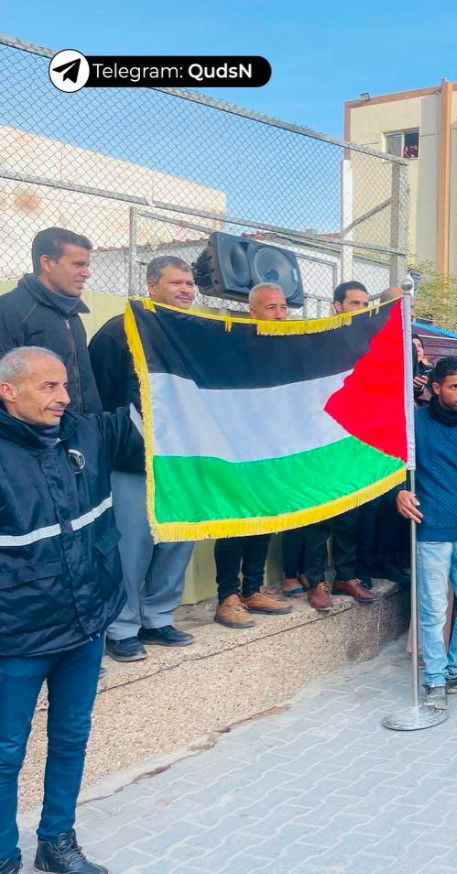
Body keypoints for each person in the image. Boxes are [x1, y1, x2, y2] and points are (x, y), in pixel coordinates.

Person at [0, 346, 143, 874]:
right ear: (8, 391)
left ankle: (56, 842)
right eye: (48, 388)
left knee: (70, 738)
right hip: (18, 635)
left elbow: (163, 426)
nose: (63, 398)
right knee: (4, 752)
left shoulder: (87, 433)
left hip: (87, 624)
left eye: (64, 386)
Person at [91, 256, 206, 660]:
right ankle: (121, 627)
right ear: (151, 284)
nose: (186, 290)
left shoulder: (197, 333)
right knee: (130, 547)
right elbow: (99, 402)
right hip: (131, 463)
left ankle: (158, 617)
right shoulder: (118, 331)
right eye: (176, 282)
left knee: (178, 541)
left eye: (190, 283)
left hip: (186, 462)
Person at [395, 357, 457, 709]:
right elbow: (392, 466)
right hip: (431, 531)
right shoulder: (414, 425)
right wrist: (398, 492)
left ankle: (454, 670)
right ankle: (435, 679)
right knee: (435, 611)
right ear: (436, 388)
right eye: (454, 387)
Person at [212, 284, 293, 625]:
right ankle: (227, 596)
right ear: (254, 312)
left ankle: (253, 589)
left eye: (283, 307)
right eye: (271, 307)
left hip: (272, 452)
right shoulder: (234, 349)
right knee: (234, 523)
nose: (280, 314)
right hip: (235, 451)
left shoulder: (291, 349)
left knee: (264, 519)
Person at [0, 227, 101, 414]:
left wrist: (92, 428)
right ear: (47, 263)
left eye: (87, 265)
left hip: (80, 433)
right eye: (78, 264)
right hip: (36, 439)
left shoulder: (72, 313)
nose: (87, 273)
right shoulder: (9, 310)